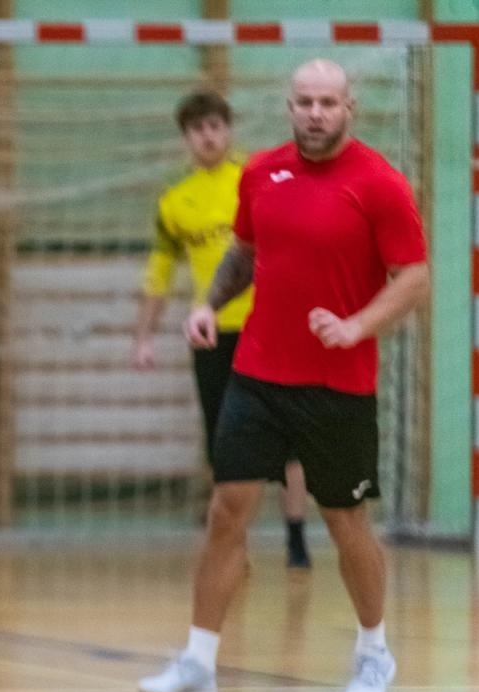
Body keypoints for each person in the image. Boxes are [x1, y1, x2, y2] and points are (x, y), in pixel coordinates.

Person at [137, 60, 429, 692]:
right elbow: (244, 253)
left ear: (349, 107)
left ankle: (373, 652)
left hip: (338, 384)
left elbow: (413, 277)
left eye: (328, 102)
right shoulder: (262, 173)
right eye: (305, 102)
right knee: (226, 510)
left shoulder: (379, 183)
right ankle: (199, 659)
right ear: (289, 106)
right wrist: (210, 305)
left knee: (345, 519)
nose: (316, 113)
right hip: (258, 375)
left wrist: (356, 326)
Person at [131, 89, 310, 568]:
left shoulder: (257, 180)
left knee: (290, 437)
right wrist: (144, 337)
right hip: (212, 334)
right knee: (225, 443)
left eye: (215, 126)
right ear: (186, 138)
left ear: (228, 130)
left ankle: (296, 540)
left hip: (271, 327)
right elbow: (159, 274)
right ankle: (235, 544)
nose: (208, 137)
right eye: (198, 129)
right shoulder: (176, 202)